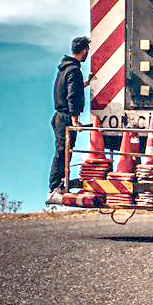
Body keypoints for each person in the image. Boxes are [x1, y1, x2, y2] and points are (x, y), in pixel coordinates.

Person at [47, 36, 89, 203]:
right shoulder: (74, 70)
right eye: (87, 50)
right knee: (62, 152)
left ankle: (59, 184)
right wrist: (75, 119)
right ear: (84, 50)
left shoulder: (65, 68)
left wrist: (84, 84)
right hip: (65, 117)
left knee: (63, 151)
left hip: (58, 116)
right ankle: (54, 188)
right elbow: (72, 96)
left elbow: (68, 89)